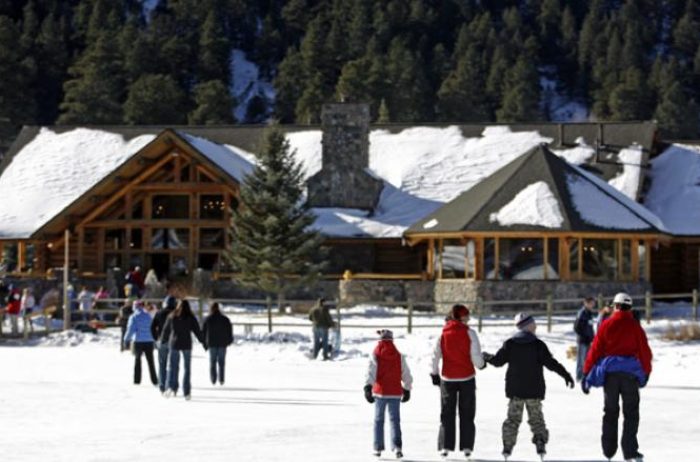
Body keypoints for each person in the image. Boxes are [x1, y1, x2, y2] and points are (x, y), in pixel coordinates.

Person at [483, 312, 574, 459]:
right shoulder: (538, 345)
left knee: (512, 419)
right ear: (527, 326)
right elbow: (551, 364)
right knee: (536, 419)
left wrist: (486, 356)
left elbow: (498, 361)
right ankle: (540, 442)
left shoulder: (511, 344)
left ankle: (507, 446)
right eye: (533, 323)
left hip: (515, 390)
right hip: (534, 390)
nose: (536, 325)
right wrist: (565, 374)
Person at [582, 292, 652, 462]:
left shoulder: (606, 325)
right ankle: (630, 452)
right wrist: (646, 372)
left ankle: (608, 451)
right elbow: (645, 352)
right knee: (631, 413)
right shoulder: (635, 326)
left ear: (616, 306)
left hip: (610, 376)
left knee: (610, 411)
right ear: (630, 307)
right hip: (630, 376)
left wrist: (586, 373)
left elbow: (595, 349)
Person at [430, 304, 485, 459]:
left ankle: (445, 446)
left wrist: (434, 373)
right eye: (466, 315)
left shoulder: (443, 334)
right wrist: (482, 365)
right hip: (467, 378)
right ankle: (467, 446)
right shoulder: (470, 333)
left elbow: (435, 355)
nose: (468, 318)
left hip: (448, 379)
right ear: (461, 317)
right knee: (467, 413)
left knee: (447, 412)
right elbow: (475, 356)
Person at [364, 329, 412, 459]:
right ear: (392, 340)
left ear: (380, 339)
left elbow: (371, 371)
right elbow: (406, 373)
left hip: (380, 393)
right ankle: (397, 447)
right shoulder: (398, 355)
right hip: (395, 393)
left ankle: (377, 447)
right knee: (395, 421)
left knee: (379, 421)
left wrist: (368, 386)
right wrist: (407, 388)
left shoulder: (376, 353)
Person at [161, 299, 205, 400]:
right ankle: (187, 392)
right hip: (186, 344)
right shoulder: (190, 317)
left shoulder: (172, 316)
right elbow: (197, 331)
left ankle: (172, 387)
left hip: (174, 344)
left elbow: (166, 330)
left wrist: (163, 341)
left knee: (173, 367)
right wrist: (203, 341)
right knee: (187, 369)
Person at [123, 300, 158, 386]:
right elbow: (153, 327)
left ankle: (137, 380)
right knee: (151, 361)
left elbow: (130, 329)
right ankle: (154, 380)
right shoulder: (148, 315)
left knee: (137, 360)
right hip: (149, 341)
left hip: (138, 341)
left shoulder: (134, 317)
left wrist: (126, 339)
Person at [202, 302, 233, 385]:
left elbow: (204, 333)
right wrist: (229, 341)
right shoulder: (225, 319)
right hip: (222, 343)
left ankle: (213, 379)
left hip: (212, 343)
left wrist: (204, 344)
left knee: (212, 362)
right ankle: (221, 379)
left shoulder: (208, 319)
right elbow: (229, 331)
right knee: (221, 362)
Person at [151, 295, 177, 394]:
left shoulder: (159, 313)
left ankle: (162, 386)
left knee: (162, 364)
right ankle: (170, 385)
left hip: (162, 341)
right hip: (174, 342)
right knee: (172, 365)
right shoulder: (176, 314)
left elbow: (152, 327)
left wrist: (156, 338)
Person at [574, 296, 597, 381]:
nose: (593, 305)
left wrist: (592, 337)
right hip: (582, 340)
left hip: (589, 340)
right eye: (591, 303)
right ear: (586, 303)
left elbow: (590, 327)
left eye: (593, 303)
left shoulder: (589, 313)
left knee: (587, 359)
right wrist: (584, 336)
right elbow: (577, 327)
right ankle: (579, 376)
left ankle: (586, 375)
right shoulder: (582, 313)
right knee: (581, 360)